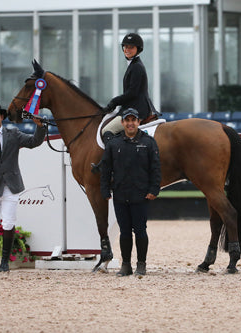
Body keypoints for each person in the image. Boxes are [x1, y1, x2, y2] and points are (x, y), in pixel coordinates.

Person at [0, 101, 45, 272]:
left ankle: (5, 261)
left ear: (2, 117)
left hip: (11, 186)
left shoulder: (13, 133)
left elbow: (34, 141)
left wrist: (40, 127)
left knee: (9, 221)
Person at [100, 108, 161, 276]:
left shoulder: (149, 142)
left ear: (139, 122)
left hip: (141, 195)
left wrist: (154, 189)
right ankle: (126, 265)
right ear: (122, 123)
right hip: (120, 195)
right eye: (127, 120)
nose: (130, 123)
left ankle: (141, 264)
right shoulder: (113, 143)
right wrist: (105, 190)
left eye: (133, 120)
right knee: (124, 231)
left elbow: (155, 168)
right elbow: (106, 169)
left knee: (140, 230)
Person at [91, 32, 159, 174]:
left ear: (138, 49)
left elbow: (133, 93)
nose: (127, 50)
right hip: (131, 106)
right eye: (125, 47)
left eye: (131, 47)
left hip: (137, 109)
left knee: (107, 131)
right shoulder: (133, 65)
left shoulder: (137, 67)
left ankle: (110, 163)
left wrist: (114, 102)